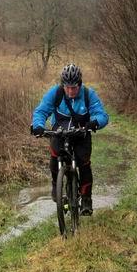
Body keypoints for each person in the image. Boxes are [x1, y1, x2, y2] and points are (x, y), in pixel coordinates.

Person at [30, 62, 109, 215]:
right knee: (55, 154)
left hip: (81, 133)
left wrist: (94, 123)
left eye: (74, 87)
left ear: (79, 84)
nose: (70, 91)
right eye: (67, 87)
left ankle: (86, 199)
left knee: (83, 163)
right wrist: (38, 126)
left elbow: (102, 114)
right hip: (60, 132)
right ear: (63, 85)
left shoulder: (88, 94)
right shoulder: (56, 93)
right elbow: (41, 111)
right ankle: (56, 184)